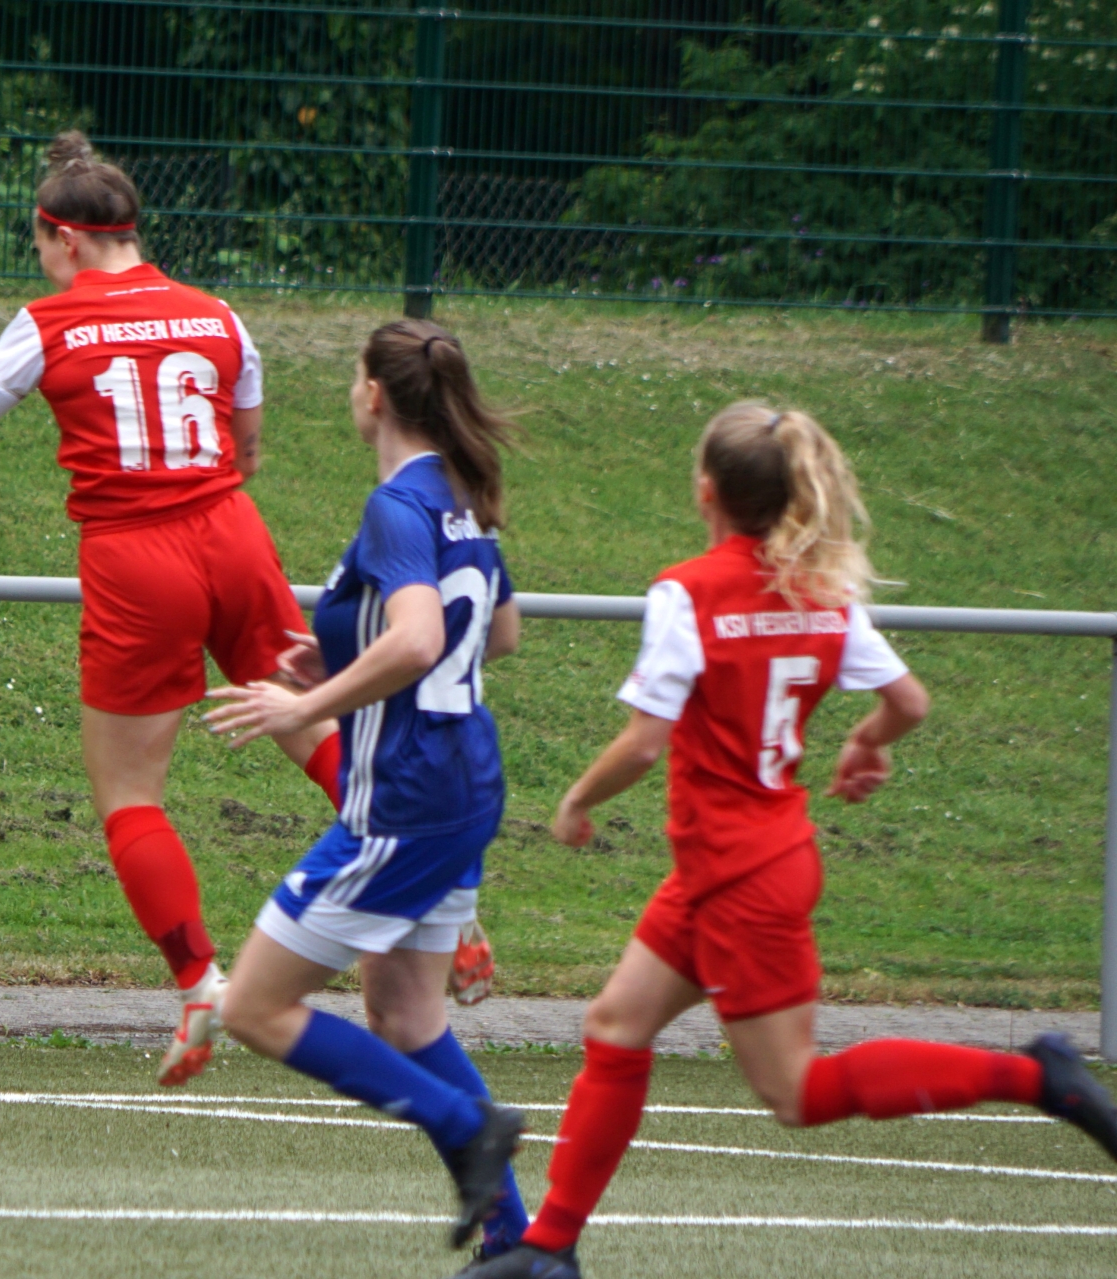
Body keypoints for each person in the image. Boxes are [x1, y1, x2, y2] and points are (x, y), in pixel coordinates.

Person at [462, 402, 1117, 1279]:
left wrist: (577, 797)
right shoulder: (822, 591)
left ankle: (1038, 1075)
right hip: (738, 864)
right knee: (616, 1024)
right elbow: (909, 701)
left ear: (706, 490)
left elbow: (646, 741)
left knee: (798, 1090)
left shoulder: (687, 591)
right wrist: (867, 741)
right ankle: (550, 1248)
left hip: (743, 878)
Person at [0, 131, 346, 1085]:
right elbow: (248, 449)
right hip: (232, 533)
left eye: (40, 245)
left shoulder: (47, 324)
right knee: (321, 729)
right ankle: (438, 899)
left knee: (130, 796)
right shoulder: (219, 315)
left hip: (135, 556)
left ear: (66, 238)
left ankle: (200, 981)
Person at [204, 320, 529, 1257]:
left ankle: (467, 1125)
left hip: (408, 797)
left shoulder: (398, 504)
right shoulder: (460, 494)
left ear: (375, 395)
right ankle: (516, 1246)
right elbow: (498, 632)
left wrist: (305, 705)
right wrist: (344, 655)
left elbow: (421, 638)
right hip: (466, 781)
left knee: (252, 1006)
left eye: (354, 378)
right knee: (406, 1014)